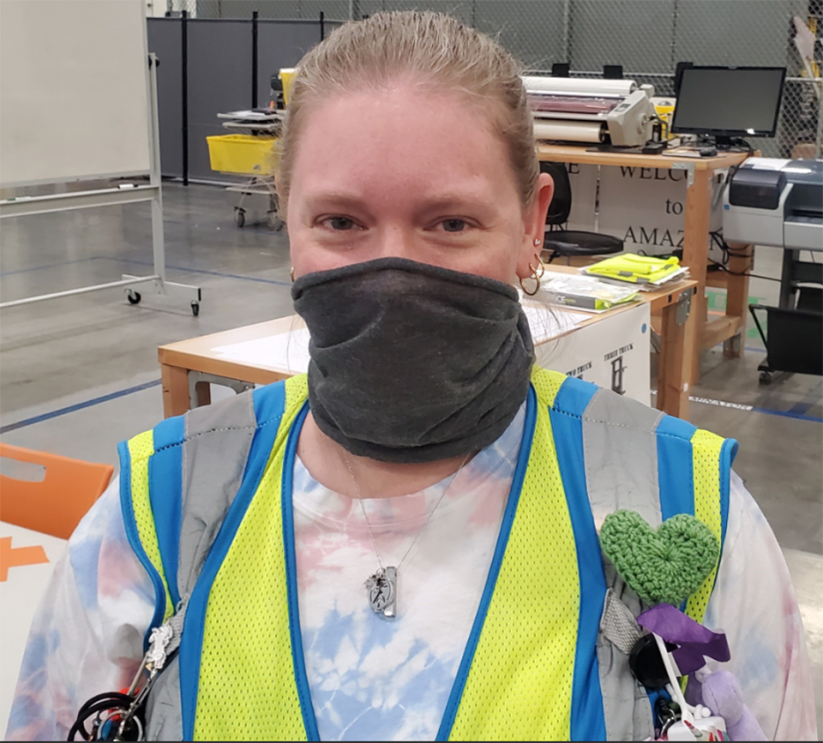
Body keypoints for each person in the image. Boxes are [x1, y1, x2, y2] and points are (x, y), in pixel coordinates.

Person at [6, 11, 817, 742]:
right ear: (286, 214)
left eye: (451, 222)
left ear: (533, 224)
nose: (391, 268)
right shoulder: (158, 511)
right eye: (340, 221)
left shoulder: (686, 509)